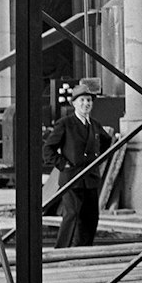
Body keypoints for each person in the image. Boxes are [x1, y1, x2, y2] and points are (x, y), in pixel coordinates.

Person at [43, 79, 109, 247]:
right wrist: (63, 164)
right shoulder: (65, 124)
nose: (86, 104)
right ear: (74, 103)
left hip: (90, 178)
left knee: (90, 217)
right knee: (72, 214)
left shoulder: (95, 125)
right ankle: (61, 250)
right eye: (82, 100)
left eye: (89, 100)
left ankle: (83, 250)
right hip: (72, 179)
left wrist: (97, 160)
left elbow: (106, 141)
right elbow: (48, 149)